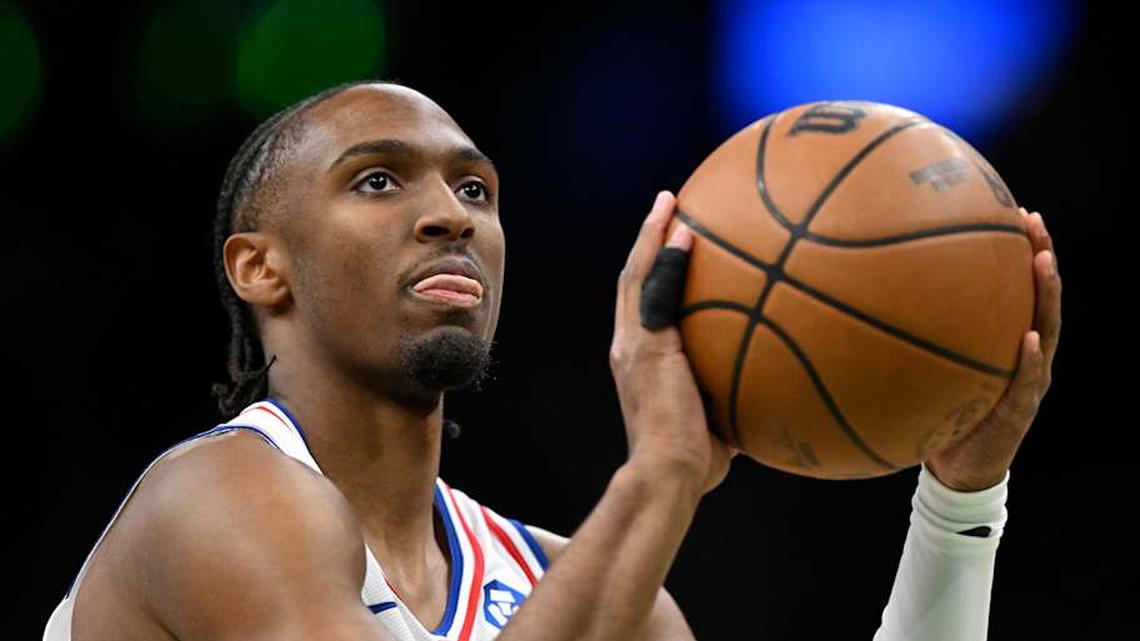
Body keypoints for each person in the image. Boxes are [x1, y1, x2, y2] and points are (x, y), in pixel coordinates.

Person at [43, 80, 1062, 641]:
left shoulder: (583, 585)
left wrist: (960, 502)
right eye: (379, 180)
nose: (448, 213)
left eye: (477, 191)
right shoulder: (213, 498)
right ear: (260, 267)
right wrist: (661, 474)